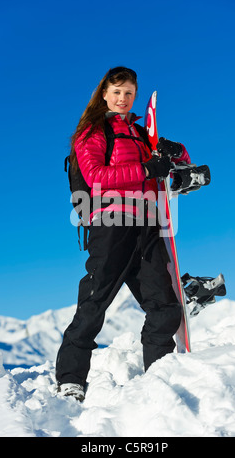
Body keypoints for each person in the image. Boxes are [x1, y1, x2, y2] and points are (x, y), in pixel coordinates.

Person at [55, 66, 191, 401]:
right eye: (116, 91)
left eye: (129, 92)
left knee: (165, 306)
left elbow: (175, 169)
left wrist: (176, 152)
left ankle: (158, 377)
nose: (123, 98)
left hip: (147, 225)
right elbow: (96, 177)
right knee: (95, 302)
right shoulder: (93, 131)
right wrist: (146, 168)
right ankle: (71, 379)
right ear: (104, 94)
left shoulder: (143, 134)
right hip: (112, 224)